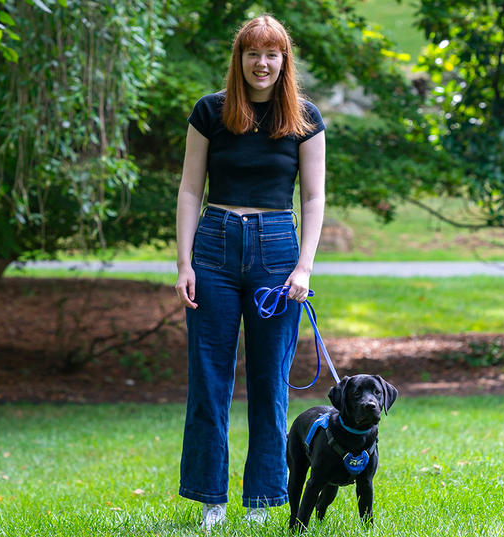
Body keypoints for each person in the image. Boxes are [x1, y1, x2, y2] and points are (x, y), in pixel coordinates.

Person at [174, 14, 326, 530]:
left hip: (278, 253)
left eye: (272, 54)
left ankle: (263, 500)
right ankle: (210, 498)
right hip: (213, 247)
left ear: (284, 61)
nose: (262, 63)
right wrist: (183, 263)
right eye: (253, 53)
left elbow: (313, 196)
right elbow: (191, 189)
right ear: (239, 58)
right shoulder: (210, 112)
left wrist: (304, 266)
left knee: (270, 382)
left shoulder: (304, 117)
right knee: (209, 381)